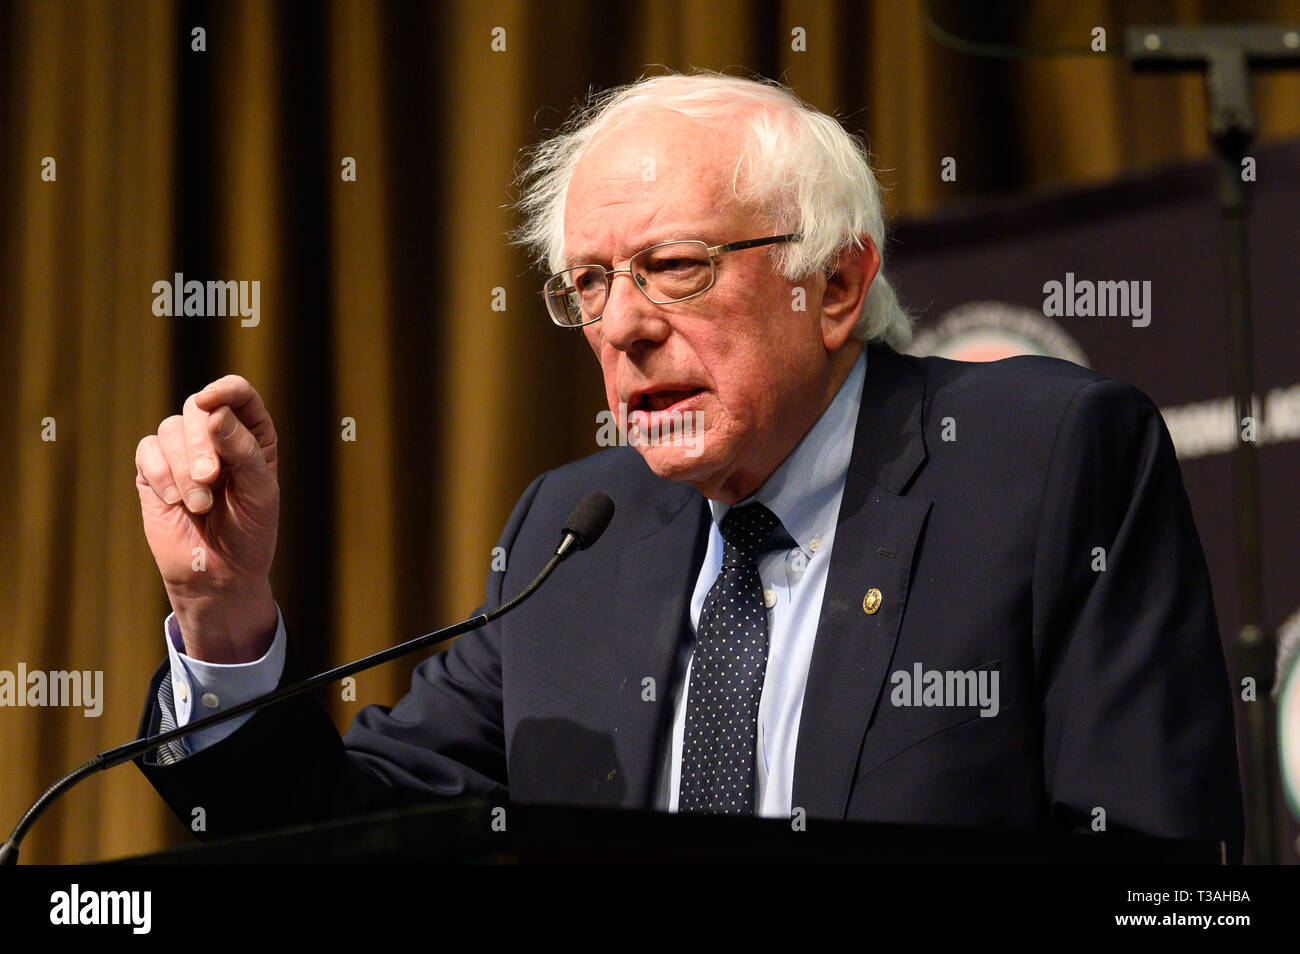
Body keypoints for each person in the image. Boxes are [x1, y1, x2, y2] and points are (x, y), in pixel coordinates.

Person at [131, 71, 1244, 858]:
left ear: (837, 286)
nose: (621, 326)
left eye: (671, 267)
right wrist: (222, 612)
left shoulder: (1040, 466)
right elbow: (347, 833)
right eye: (590, 285)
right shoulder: (574, 529)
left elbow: (1159, 877)